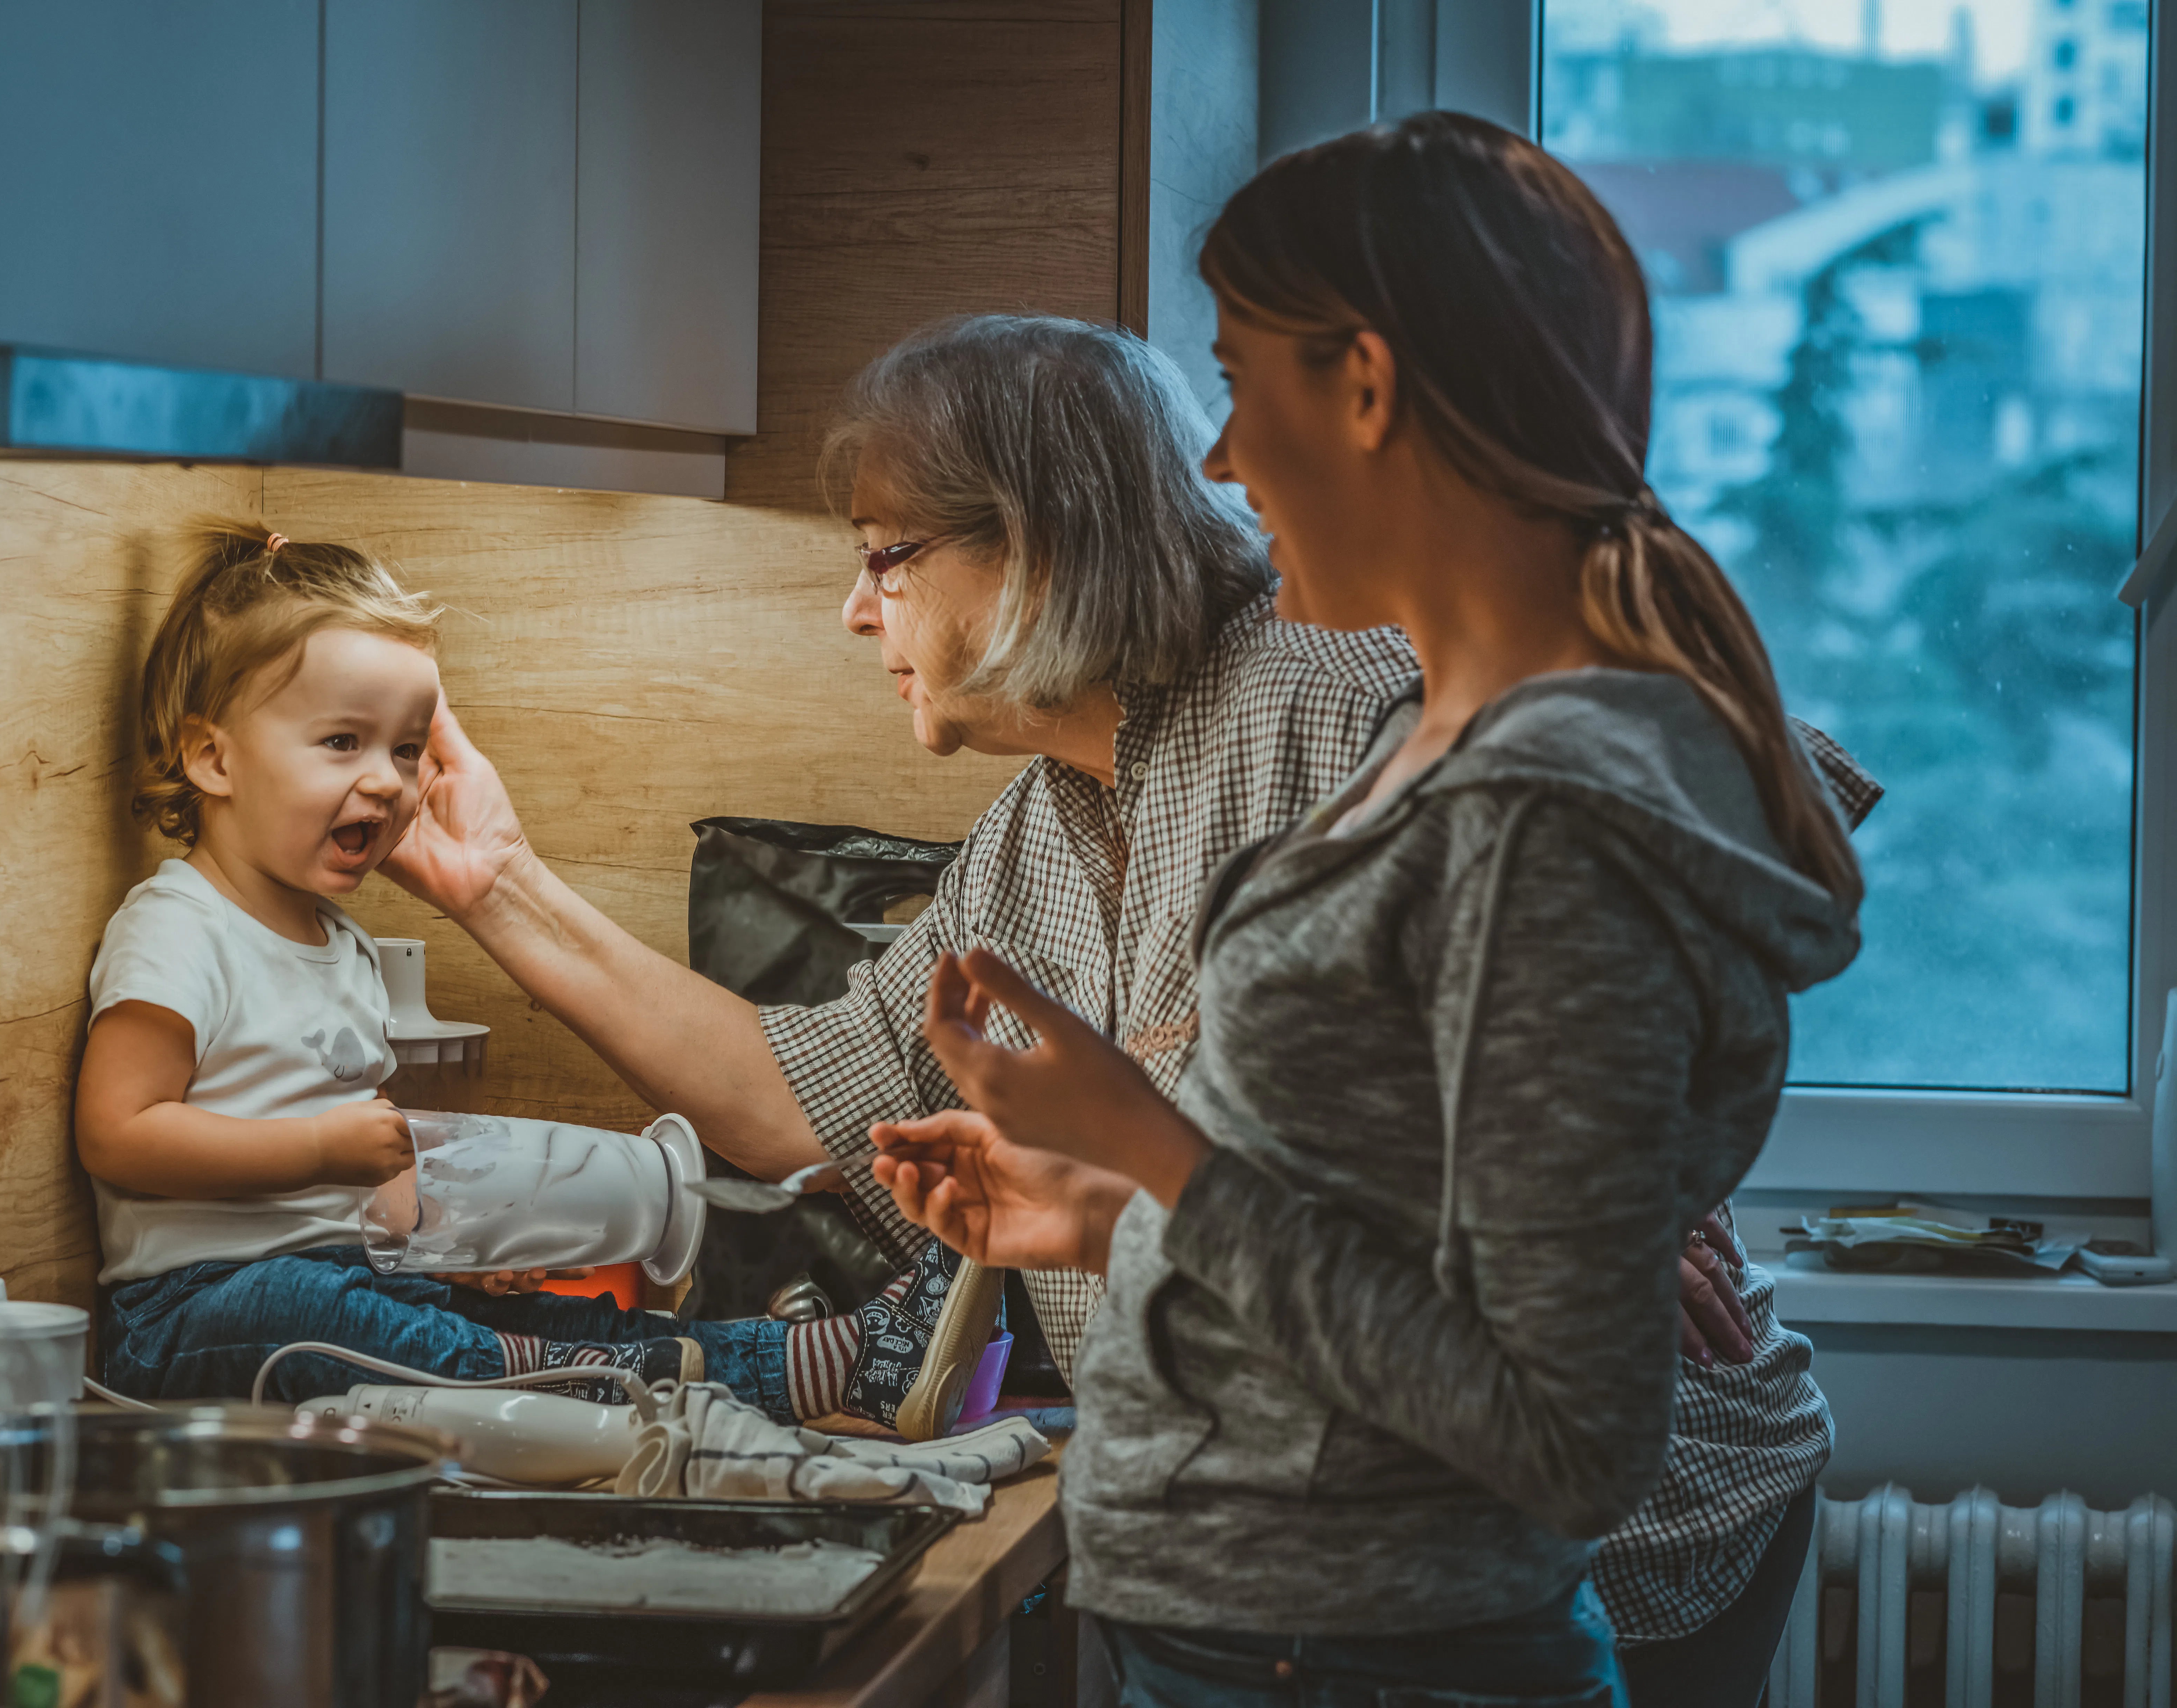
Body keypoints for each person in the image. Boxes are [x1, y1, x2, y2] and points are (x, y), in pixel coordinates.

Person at [381, 313, 1870, 1676]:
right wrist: (497, 886)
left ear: (1028, 548)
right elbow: (793, 1101)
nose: (856, 610)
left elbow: (1747, 783)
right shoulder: (1032, 841)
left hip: (1578, 1542)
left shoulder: (1333, 678)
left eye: (885, 555)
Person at [863, 112, 1864, 1706]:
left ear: (1369, 389)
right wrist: (1118, 1215)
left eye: (1241, 384)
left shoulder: (1547, 825)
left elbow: (1562, 1436)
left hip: (1367, 1666)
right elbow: (1394, 1265)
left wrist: (1154, 1144)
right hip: (1281, 1649)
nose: (1217, 456)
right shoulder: (1444, 766)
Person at [72, 520, 906, 1421]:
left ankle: (806, 1366)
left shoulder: (344, 945)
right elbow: (119, 1133)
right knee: (330, 1315)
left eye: (405, 748)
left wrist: (456, 1240)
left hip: (349, 1278)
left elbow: (377, 1178)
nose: (390, 783)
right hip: (195, 1314)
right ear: (214, 758)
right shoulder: (177, 928)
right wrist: (317, 1149)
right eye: (343, 743)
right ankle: (570, 1379)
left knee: (489, 1315)